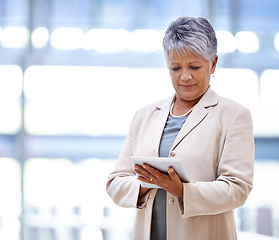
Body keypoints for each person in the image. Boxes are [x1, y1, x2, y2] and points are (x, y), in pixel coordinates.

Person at [106, 16, 254, 240]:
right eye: (176, 68)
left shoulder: (233, 115)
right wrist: (148, 183)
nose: (185, 76)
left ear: (213, 64)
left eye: (194, 66)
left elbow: (237, 188)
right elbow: (115, 183)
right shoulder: (144, 116)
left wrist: (182, 191)